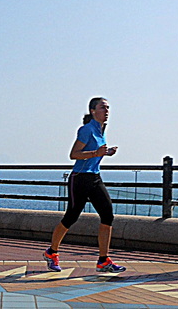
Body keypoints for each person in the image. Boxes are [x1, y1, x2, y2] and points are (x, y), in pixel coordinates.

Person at [43, 97, 127, 274]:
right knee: (71, 217)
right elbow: (74, 154)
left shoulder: (100, 130)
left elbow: (96, 153)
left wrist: (107, 152)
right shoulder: (86, 130)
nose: (107, 111)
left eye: (108, 108)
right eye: (103, 108)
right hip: (79, 178)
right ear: (93, 111)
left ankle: (103, 261)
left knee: (107, 215)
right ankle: (52, 253)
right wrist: (96, 152)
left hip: (94, 178)